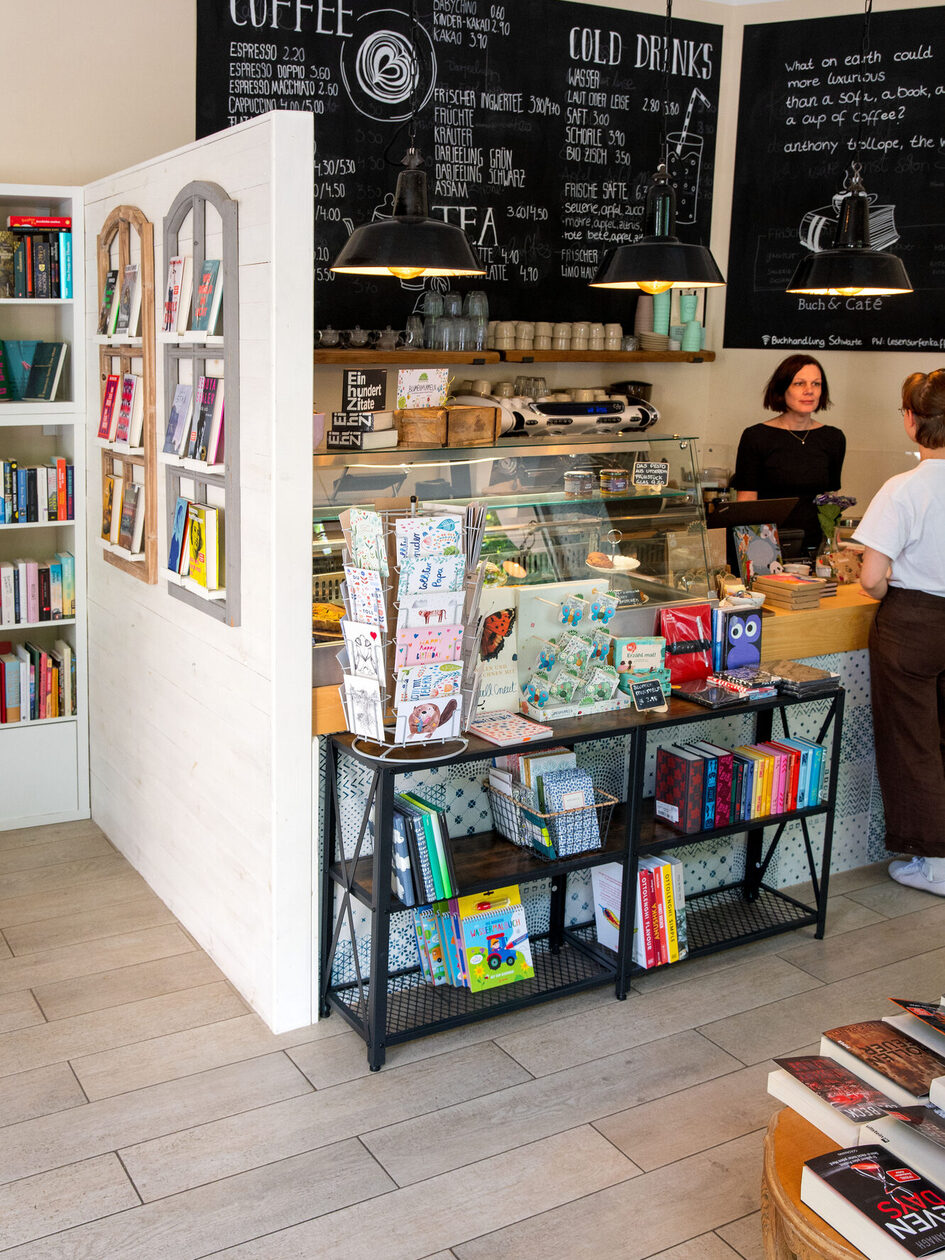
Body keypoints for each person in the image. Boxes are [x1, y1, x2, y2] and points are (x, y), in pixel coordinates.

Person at [853, 370, 945, 894]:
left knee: (913, 743)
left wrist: (894, 593)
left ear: (912, 421)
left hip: (913, 624)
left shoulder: (902, 488)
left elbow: (870, 579)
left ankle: (934, 863)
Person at [734, 354, 846, 553]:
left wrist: (832, 547)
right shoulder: (756, 437)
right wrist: (751, 558)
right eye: (799, 383)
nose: (809, 391)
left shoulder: (833, 438)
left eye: (816, 384)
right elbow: (746, 504)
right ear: (782, 388)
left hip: (815, 548)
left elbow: (831, 501)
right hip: (766, 548)